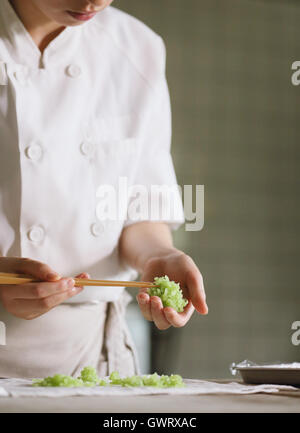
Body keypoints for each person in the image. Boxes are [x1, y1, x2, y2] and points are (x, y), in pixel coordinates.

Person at [0, 0, 208, 379]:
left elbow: (139, 210)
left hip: (91, 358)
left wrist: (157, 255)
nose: (93, 1)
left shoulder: (137, 48)